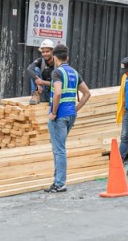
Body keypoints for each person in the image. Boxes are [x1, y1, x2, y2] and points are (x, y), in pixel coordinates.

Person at [45, 44, 91, 193]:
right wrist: (75, 109)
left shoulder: (57, 73)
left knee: (59, 150)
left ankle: (59, 183)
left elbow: (57, 93)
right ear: (68, 57)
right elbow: (87, 94)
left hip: (59, 116)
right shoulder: (74, 73)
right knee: (60, 148)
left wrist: (53, 112)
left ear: (55, 58)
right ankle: (57, 180)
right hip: (70, 115)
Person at [25, 39, 56, 105]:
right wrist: (37, 81)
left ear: (52, 51)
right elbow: (29, 69)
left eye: (47, 51)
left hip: (54, 94)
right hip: (42, 92)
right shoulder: (40, 61)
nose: (45, 54)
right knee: (35, 70)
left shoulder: (58, 64)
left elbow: (58, 84)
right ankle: (35, 94)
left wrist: (42, 82)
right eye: (43, 52)